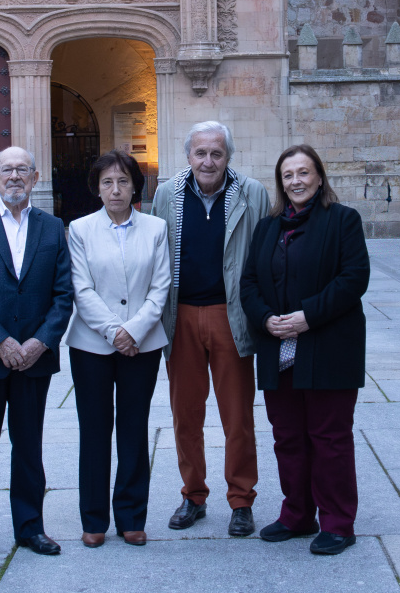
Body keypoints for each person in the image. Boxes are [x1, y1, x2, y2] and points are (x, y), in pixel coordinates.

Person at [239, 144, 370, 555]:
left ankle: (338, 523)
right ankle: (297, 514)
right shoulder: (268, 227)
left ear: (319, 176)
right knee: (288, 437)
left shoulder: (343, 220)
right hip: (278, 349)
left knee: (329, 438)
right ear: (281, 183)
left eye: (303, 172)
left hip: (328, 346)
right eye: (288, 175)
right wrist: (265, 319)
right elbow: (249, 283)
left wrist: (307, 316)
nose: (296, 181)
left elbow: (354, 278)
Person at [0, 146, 75, 561]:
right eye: (6, 170)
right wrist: (0, 341)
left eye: (23, 169)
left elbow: (63, 294)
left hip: (35, 359)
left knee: (28, 447)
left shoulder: (52, 228)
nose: (15, 176)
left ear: (36, 178)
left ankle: (30, 527)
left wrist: (41, 342)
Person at [149, 121, 271, 537]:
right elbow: (155, 254)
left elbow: (263, 254)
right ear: (188, 156)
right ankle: (193, 495)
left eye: (216, 153)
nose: (208, 161)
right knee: (185, 414)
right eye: (200, 153)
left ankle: (241, 500)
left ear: (228, 156)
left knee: (237, 416)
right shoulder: (167, 194)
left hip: (229, 314)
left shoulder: (252, 193)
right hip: (180, 314)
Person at [64, 150, 171, 549]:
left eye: (123, 181)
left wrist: (135, 330)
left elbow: (161, 286)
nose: (115, 190)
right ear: (96, 188)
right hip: (91, 345)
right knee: (94, 430)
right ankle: (93, 519)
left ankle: (131, 517)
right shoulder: (80, 229)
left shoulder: (156, 228)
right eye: (107, 182)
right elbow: (81, 289)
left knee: (133, 428)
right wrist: (114, 332)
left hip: (142, 346)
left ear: (135, 187)